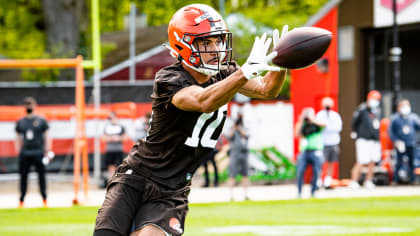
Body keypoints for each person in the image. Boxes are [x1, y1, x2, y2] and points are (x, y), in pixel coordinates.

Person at [93, 4, 288, 236]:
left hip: (173, 189)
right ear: (182, 45)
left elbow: (267, 89)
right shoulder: (170, 78)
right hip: (136, 177)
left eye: (218, 41)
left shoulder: (226, 72)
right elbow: (204, 100)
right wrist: (243, 73)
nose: (215, 49)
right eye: (206, 43)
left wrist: (282, 61)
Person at [15, 97, 51, 208]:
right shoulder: (21, 121)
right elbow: (17, 136)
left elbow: (47, 135)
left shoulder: (41, 120)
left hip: (38, 152)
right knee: (23, 177)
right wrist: (18, 150)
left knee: (41, 177)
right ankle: (21, 201)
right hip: (25, 153)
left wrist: (48, 150)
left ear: (34, 105)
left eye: (30, 104)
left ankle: (44, 199)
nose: (29, 106)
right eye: (27, 104)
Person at [349, 90, 382, 189]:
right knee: (361, 160)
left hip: (374, 139)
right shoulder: (362, 109)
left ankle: (368, 181)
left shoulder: (376, 110)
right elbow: (354, 122)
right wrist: (354, 132)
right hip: (363, 139)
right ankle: (354, 181)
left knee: (372, 161)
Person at [295, 107, 325, 198]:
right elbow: (297, 134)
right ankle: (299, 193)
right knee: (300, 171)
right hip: (304, 151)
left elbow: (324, 125)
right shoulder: (302, 125)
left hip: (316, 150)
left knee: (316, 171)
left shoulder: (316, 124)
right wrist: (302, 121)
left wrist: (312, 120)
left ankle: (313, 192)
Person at [388, 99, 420, 184]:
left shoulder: (413, 117)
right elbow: (391, 132)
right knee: (399, 163)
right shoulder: (395, 118)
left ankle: (413, 180)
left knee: (412, 163)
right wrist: (396, 141)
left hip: (411, 143)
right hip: (401, 144)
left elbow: (418, 127)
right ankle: (395, 180)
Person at [315, 97, 342, 188]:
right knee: (321, 162)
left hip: (333, 142)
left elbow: (338, 128)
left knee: (331, 162)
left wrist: (327, 126)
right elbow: (318, 128)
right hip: (323, 143)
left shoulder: (335, 115)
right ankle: (318, 180)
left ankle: (328, 180)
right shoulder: (319, 115)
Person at [101, 111, 129, 186]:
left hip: (118, 150)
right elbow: (103, 138)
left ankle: (118, 183)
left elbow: (126, 137)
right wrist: (111, 138)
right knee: (110, 167)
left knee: (119, 167)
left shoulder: (121, 127)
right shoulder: (107, 127)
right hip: (110, 150)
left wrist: (118, 138)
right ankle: (111, 183)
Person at [227, 113, 250, 200]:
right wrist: (234, 128)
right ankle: (231, 195)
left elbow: (247, 136)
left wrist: (240, 129)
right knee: (232, 175)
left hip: (244, 153)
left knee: (245, 175)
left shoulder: (245, 127)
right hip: (234, 154)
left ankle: (246, 194)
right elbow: (228, 136)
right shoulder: (232, 128)